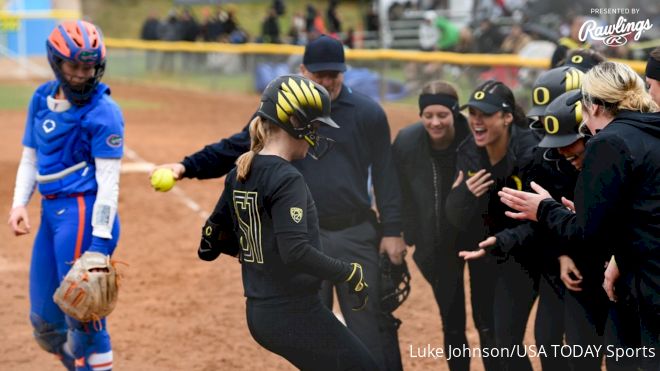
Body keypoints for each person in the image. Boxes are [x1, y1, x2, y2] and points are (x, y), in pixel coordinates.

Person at [154, 35, 406, 370]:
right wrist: (187, 166)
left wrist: (392, 229)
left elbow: (211, 240)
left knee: (365, 331)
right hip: (300, 253)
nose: (328, 80)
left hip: (343, 238)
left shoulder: (366, 113)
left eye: (335, 73)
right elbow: (295, 250)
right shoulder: (287, 148)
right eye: (320, 75)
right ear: (303, 73)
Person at [200, 74, 377, 370]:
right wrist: (348, 273)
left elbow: (210, 241)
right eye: (315, 125)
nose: (317, 134)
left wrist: (255, 251)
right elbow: (295, 252)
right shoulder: (286, 177)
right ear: (294, 122)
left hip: (261, 312)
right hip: (293, 312)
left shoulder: (241, 171)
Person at [499, 61, 660, 371]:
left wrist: (544, 209)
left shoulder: (608, 142)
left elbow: (589, 238)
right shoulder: (651, 129)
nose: (586, 126)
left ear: (596, 106)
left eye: (585, 114)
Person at [8, 20, 123, 371]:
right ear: (57, 63)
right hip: (51, 215)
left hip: (83, 216)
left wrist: (100, 245)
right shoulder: (41, 97)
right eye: (74, 66)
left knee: (85, 319)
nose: (82, 75)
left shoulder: (104, 112)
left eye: (89, 67)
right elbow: (30, 156)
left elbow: (109, 182)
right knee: (46, 326)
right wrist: (18, 203)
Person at [445, 80, 539, 371]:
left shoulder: (529, 151)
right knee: (487, 334)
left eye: (484, 113)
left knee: (506, 340)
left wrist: (504, 241)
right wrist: (462, 195)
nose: (476, 120)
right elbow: (455, 216)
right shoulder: (469, 152)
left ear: (507, 117)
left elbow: (544, 218)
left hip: (525, 253)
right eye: (472, 112)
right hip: (483, 253)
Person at [392, 81, 471, 371]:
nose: (435, 122)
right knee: (452, 323)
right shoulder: (407, 142)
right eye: (428, 115)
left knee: (489, 321)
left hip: (478, 240)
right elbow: (395, 191)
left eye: (442, 115)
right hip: (437, 244)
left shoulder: (473, 137)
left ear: (454, 113)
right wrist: (402, 231)